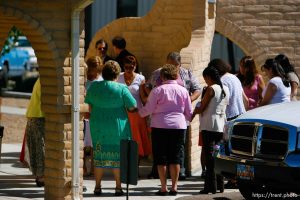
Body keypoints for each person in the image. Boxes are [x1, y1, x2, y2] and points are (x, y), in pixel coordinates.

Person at [144, 52, 201, 180]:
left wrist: (188, 99)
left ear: (180, 64)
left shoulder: (187, 74)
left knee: (179, 147)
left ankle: (180, 172)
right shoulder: (158, 73)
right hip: (159, 117)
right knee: (159, 148)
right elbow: (147, 86)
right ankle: (156, 172)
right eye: (170, 64)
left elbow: (197, 89)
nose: (172, 67)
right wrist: (154, 97)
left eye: (175, 65)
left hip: (179, 118)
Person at [84, 60, 137, 196]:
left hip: (98, 127)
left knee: (99, 156)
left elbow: (88, 107)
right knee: (118, 158)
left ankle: (97, 186)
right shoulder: (122, 88)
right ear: (117, 74)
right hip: (118, 128)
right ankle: (118, 187)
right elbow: (132, 106)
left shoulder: (94, 87)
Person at [139, 64, 193, 196]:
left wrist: (139, 112)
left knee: (161, 157)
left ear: (162, 76)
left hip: (159, 126)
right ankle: (174, 187)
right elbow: (189, 112)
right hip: (178, 126)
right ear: (176, 75)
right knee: (176, 156)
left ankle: (163, 187)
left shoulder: (157, 90)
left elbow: (149, 109)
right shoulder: (183, 91)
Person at [208, 58, 248, 189]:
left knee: (229, 151)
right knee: (241, 150)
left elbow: (223, 101)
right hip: (241, 115)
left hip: (229, 118)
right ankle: (241, 178)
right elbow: (245, 98)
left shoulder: (222, 81)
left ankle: (233, 180)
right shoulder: (234, 77)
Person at [192, 66, 229, 194]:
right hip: (220, 124)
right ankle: (220, 185)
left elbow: (202, 107)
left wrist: (194, 111)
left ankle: (210, 187)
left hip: (209, 125)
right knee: (218, 155)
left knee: (209, 156)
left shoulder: (211, 89)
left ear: (208, 77)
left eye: (205, 78)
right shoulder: (226, 89)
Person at [117, 56, 151, 159]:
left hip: (137, 114)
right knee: (122, 139)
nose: (128, 69)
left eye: (131, 67)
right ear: (123, 66)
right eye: (126, 67)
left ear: (135, 67)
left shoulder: (141, 78)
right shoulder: (118, 77)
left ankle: (135, 171)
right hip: (121, 113)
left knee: (137, 141)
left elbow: (143, 98)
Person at [83, 56, 103, 176]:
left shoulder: (101, 81)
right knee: (85, 145)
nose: (95, 71)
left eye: (97, 68)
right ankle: (84, 167)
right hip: (85, 116)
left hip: (97, 115)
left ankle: (95, 168)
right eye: (93, 68)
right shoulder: (84, 80)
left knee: (96, 144)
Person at [25, 78, 45, 187]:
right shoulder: (45, 81)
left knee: (35, 147)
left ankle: (39, 176)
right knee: (40, 148)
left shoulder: (40, 79)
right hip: (39, 116)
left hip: (33, 115)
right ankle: (41, 177)